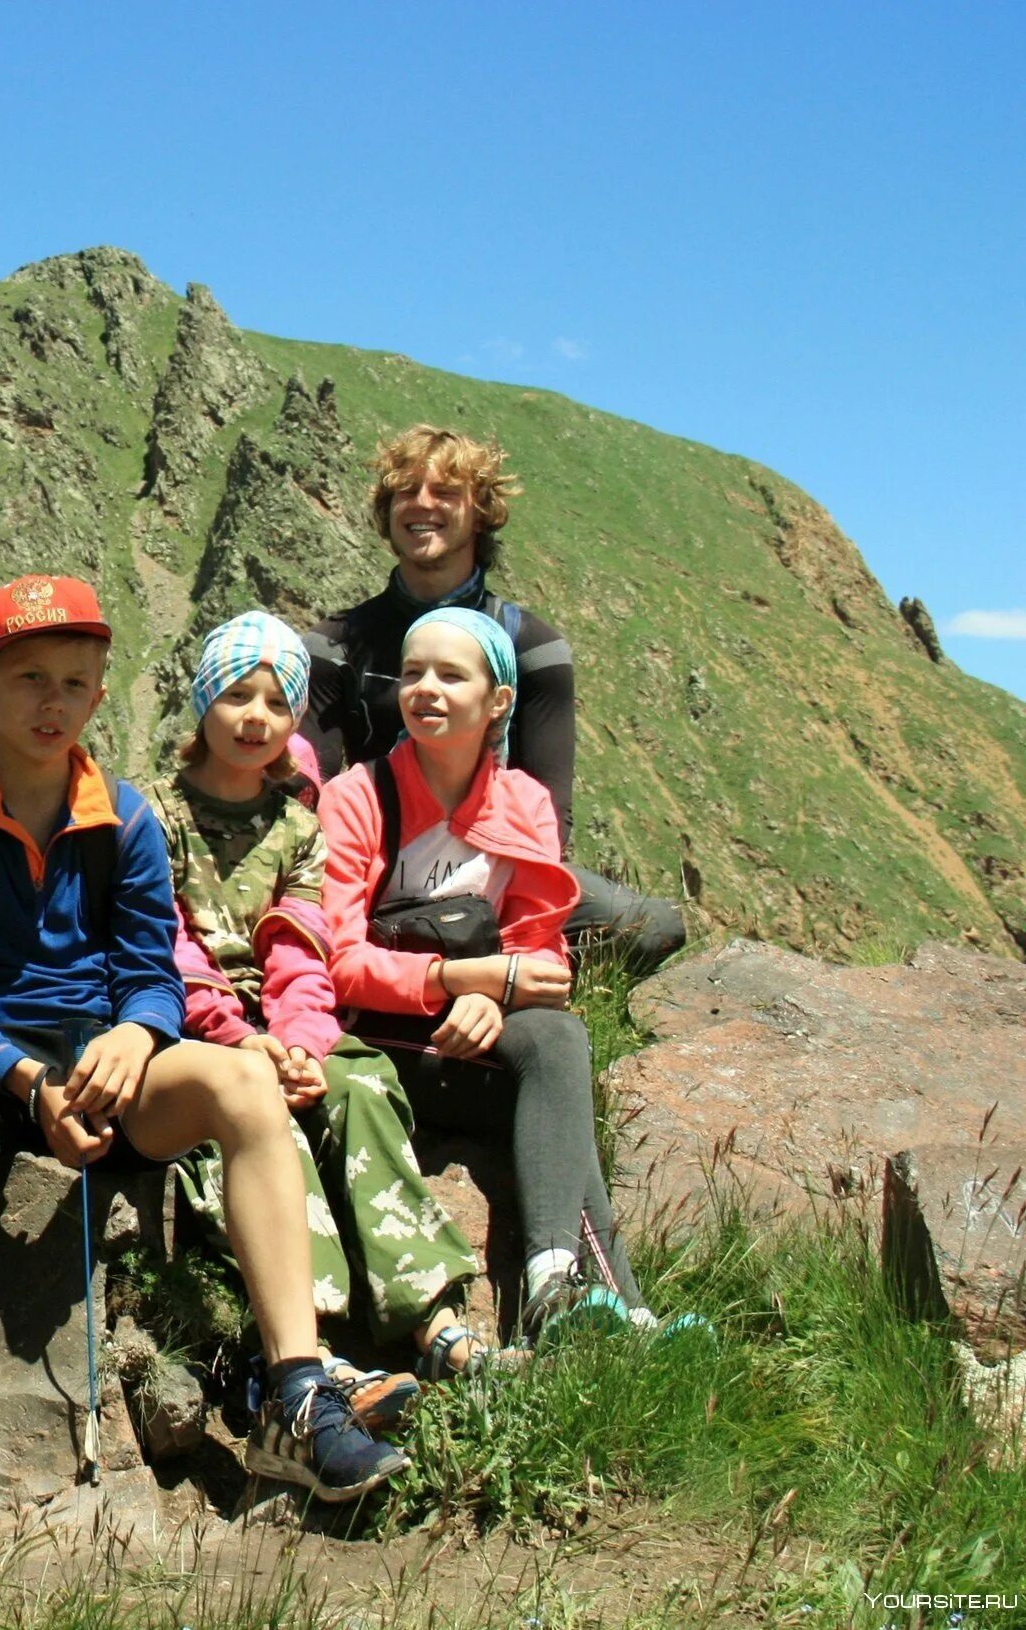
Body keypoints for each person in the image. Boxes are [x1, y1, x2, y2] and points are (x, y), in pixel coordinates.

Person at [0, 578, 404, 1542]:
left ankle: (296, 1393)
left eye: (75, 682)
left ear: (97, 694)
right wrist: (24, 1078)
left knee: (244, 1079)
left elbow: (148, 972)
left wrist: (134, 1036)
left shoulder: (124, 818)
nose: (52, 701)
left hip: (102, 1061)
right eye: (29, 677)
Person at [159, 613, 488, 1385]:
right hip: (202, 1028)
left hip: (286, 1025)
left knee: (359, 1086)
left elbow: (301, 948)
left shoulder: (299, 828)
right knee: (262, 1120)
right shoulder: (156, 816)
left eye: (278, 704)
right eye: (238, 695)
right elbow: (166, 949)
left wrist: (304, 1042)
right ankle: (315, 1338)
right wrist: (241, 1040)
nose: (256, 718)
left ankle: (431, 1317)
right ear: (204, 700)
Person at [316, 607, 654, 1349]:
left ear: (498, 701)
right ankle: (610, 1304)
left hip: (475, 1022)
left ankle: (562, 1285)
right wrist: (464, 979)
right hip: (378, 1037)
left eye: (450, 674)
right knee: (555, 1079)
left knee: (557, 1043)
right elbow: (337, 963)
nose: (425, 689)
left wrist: (494, 997)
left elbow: (542, 962)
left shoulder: (523, 804)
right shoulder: (359, 798)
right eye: (412, 673)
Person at [302, 425, 686, 973]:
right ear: (386, 512)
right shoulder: (335, 644)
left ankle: (483, 968)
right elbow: (306, 794)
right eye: (405, 492)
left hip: (495, 872)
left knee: (650, 927)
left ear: (480, 512)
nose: (422, 505)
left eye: (445, 493)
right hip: (373, 869)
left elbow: (549, 809)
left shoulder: (533, 648)